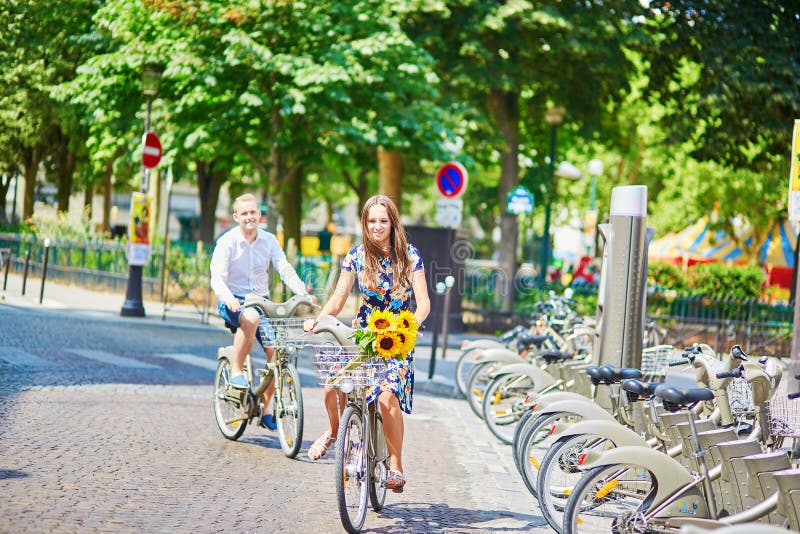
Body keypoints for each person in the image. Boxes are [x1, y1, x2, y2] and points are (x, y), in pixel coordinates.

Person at [304, 194, 430, 493]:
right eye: (371, 220)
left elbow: (423, 303)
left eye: (382, 221)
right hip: (362, 336)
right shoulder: (355, 256)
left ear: (392, 223)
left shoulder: (410, 256)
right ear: (365, 223)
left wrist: (409, 325)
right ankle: (335, 432)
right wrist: (319, 319)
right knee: (333, 384)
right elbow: (338, 298)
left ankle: (396, 466)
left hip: (397, 337)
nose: (377, 226)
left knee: (387, 397)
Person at [210, 193, 317, 430]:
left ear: (260, 215)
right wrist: (229, 299)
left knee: (276, 352)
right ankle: (237, 370)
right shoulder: (226, 243)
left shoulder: (268, 240)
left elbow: (284, 268)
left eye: (253, 212)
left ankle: (266, 409)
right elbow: (217, 278)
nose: (249, 217)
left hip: (261, 302)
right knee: (250, 317)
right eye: (244, 213)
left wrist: (303, 293)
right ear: (237, 217)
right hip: (232, 300)